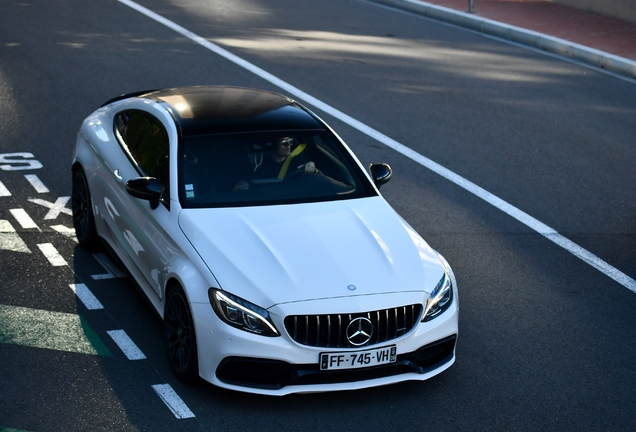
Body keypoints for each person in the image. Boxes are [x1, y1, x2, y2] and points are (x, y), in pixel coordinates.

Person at [234, 136, 317, 190]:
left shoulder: (297, 161)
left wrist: (311, 166)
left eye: (290, 141)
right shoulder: (258, 166)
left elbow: (313, 180)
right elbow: (239, 188)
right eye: (283, 143)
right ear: (272, 145)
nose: (288, 145)